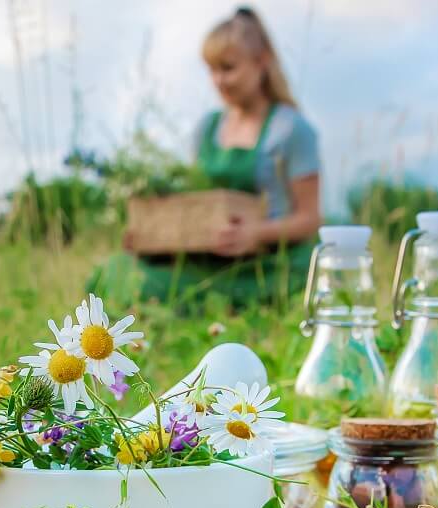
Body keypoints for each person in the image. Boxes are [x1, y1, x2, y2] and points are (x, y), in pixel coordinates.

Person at [90, 6, 322, 310]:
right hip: (210, 261)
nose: (218, 80)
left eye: (228, 68)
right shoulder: (208, 128)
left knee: (159, 291)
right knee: (117, 270)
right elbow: (198, 207)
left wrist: (256, 233)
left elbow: (310, 219)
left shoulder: (291, 129)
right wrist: (153, 240)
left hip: (269, 264)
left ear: (262, 61)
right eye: (212, 70)